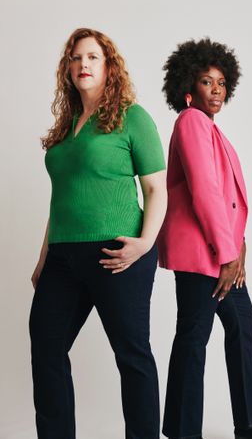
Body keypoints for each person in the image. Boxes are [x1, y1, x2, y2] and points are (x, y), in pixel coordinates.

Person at [29, 27, 167, 439]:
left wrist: (144, 244)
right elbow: (62, 199)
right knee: (47, 348)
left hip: (118, 253)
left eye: (91, 57)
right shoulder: (66, 125)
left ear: (108, 66)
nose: (82, 64)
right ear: (67, 68)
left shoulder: (132, 117)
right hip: (63, 257)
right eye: (75, 58)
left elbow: (156, 187)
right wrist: (43, 258)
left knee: (132, 355)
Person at [157, 38, 252, 439]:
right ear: (189, 90)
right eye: (207, 81)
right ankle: (184, 431)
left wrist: (239, 245)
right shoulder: (192, 121)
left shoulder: (212, 130)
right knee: (195, 337)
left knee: (240, 323)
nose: (217, 89)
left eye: (222, 82)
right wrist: (229, 252)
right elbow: (205, 191)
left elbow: (226, 199)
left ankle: (250, 425)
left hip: (222, 251)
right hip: (203, 254)